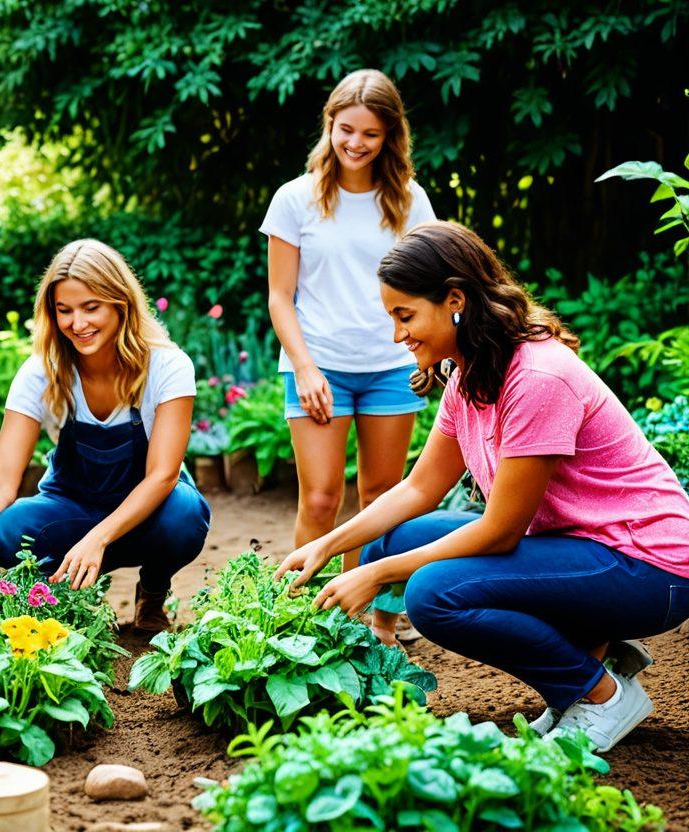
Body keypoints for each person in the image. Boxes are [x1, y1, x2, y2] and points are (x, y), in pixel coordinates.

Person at [279, 221, 689, 753]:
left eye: (405, 316)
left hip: (650, 567)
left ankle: (599, 694)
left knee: (433, 594)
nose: (397, 335)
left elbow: (498, 532)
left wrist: (373, 576)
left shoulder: (538, 376)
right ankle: (585, 662)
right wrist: (328, 545)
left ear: (455, 300)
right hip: (582, 545)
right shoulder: (471, 373)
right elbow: (417, 490)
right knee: (390, 536)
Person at [0, 239, 210, 633]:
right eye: (64, 311)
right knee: (5, 531)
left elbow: (162, 476)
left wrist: (97, 539)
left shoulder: (167, 365)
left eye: (90, 307)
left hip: (150, 510)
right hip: (73, 506)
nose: (77, 324)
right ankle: (67, 593)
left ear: (120, 303)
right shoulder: (41, 372)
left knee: (184, 515)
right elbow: (0, 480)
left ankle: (153, 590)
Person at [261, 68, 436, 585]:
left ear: (389, 137)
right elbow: (279, 296)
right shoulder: (295, 199)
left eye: (370, 133)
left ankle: (377, 621)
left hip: (391, 367)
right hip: (318, 367)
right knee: (320, 498)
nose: (356, 143)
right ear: (329, 125)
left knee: (382, 497)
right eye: (346, 129)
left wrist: (431, 354)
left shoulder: (410, 199)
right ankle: (306, 621)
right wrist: (305, 368)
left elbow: (429, 287)